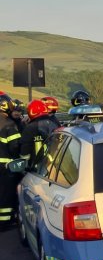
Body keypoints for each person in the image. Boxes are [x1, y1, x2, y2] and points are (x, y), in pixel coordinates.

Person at [0, 95, 21, 227]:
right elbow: (14, 147)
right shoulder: (9, 124)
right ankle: (4, 222)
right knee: (6, 194)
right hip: (5, 166)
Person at [20, 100, 59, 167]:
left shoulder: (30, 127)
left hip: (36, 167)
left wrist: (25, 166)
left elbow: (25, 150)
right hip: (54, 166)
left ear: (31, 112)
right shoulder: (54, 124)